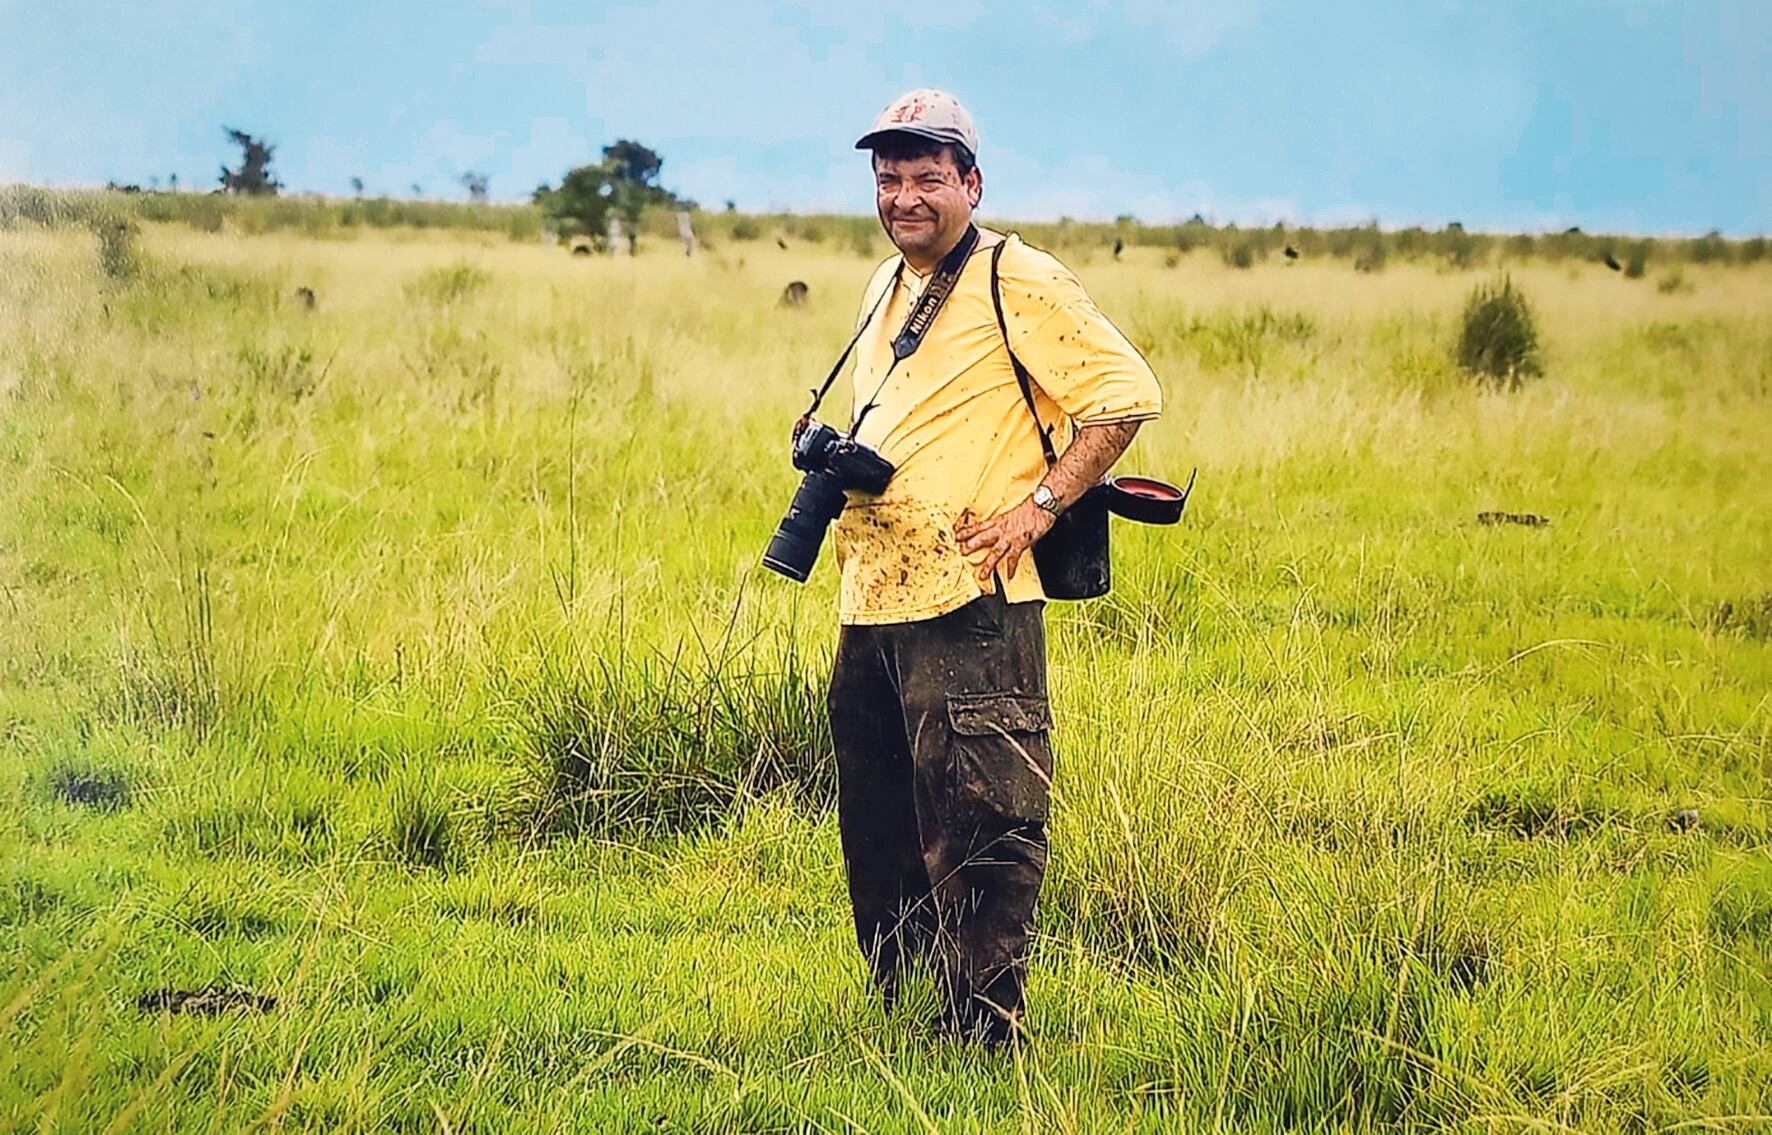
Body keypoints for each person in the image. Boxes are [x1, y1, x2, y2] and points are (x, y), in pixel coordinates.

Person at [824, 88, 1164, 1046]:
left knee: (981, 818)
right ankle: (904, 1016)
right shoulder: (882, 288)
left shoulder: (1019, 276)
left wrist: (1038, 505)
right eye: (889, 179)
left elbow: (1125, 398)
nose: (905, 197)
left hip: (975, 596)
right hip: (876, 594)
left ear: (971, 182)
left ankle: (985, 1031)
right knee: (883, 821)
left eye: (929, 176)